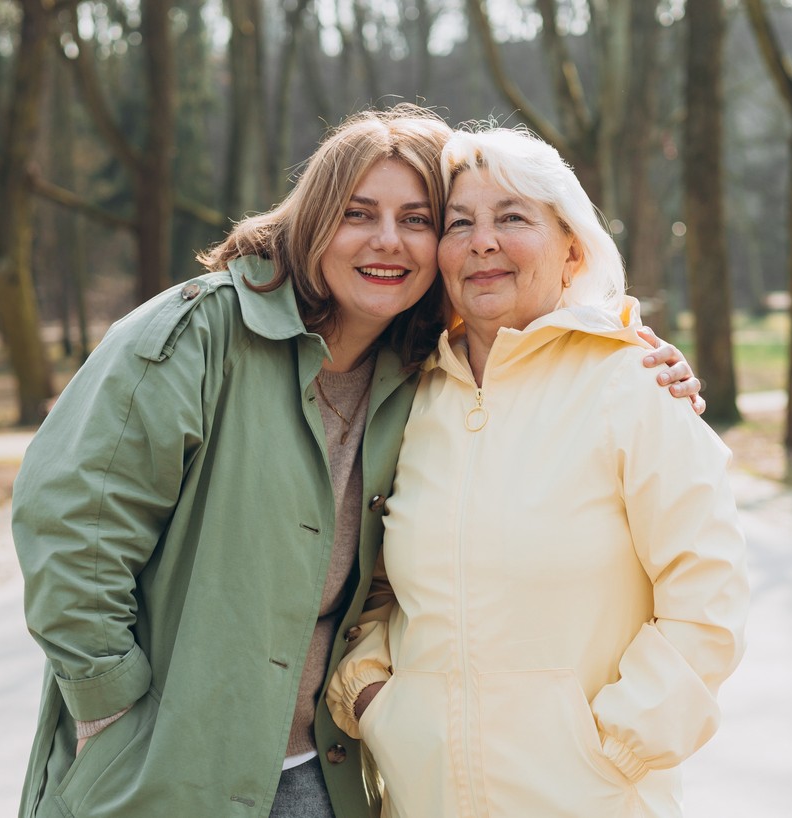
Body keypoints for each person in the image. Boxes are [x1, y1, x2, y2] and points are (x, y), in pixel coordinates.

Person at [13, 106, 702, 818]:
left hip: (321, 780)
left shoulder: (418, 378)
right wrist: (109, 709)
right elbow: (72, 524)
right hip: (162, 777)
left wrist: (630, 350)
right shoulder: (202, 332)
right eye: (359, 213)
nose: (388, 241)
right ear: (314, 220)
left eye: (418, 219)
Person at [327, 127, 749, 818]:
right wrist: (376, 701)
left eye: (513, 218)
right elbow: (372, 583)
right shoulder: (407, 397)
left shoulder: (634, 385)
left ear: (572, 250)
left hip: (591, 798)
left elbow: (709, 595)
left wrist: (614, 749)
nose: (482, 242)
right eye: (459, 224)